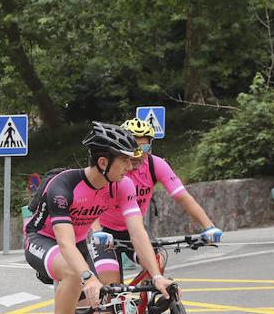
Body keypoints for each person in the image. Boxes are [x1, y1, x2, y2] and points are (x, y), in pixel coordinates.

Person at [23, 122, 176, 314]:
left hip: (76, 245)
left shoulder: (123, 185)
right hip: (43, 240)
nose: (132, 166)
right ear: (103, 162)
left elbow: (137, 233)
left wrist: (157, 276)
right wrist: (88, 277)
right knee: (72, 272)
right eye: (125, 160)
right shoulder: (63, 186)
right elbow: (64, 243)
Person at [90, 118, 223, 281]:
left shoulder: (156, 165)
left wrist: (208, 226)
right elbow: (91, 201)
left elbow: (183, 197)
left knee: (157, 262)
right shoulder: (113, 168)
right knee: (110, 281)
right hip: (105, 231)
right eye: (133, 147)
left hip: (135, 228)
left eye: (144, 147)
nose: (138, 154)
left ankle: (145, 302)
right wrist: (97, 232)